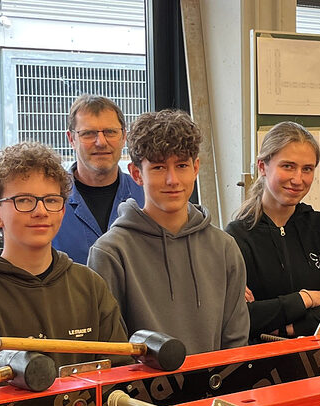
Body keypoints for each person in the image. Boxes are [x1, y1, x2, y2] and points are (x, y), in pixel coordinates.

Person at [0, 141, 128, 377]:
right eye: (24, 200)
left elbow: (120, 374)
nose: (40, 211)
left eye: (51, 200)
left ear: (62, 210)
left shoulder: (91, 286)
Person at [88, 109, 250, 354]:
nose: (172, 180)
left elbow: (236, 343)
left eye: (182, 165)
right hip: (138, 393)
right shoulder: (110, 253)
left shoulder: (225, 247)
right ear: (135, 174)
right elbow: (112, 352)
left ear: (196, 168)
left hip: (215, 389)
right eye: (159, 168)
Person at [227, 122, 320, 339]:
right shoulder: (237, 236)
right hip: (263, 366)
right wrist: (305, 299)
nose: (298, 179)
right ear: (262, 167)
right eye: (287, 166)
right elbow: (243, 316)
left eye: (307, 169)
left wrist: (287, 329)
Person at [53, 94, 145, 264]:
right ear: (71, 139)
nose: (101, 142)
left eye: (110, 132)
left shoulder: (146, 196)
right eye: (88, 134)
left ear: (124, 136)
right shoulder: (49, 201)